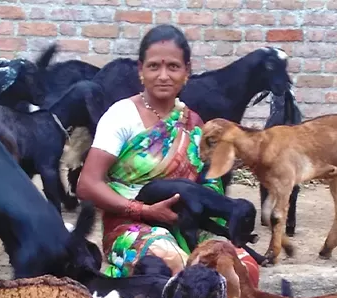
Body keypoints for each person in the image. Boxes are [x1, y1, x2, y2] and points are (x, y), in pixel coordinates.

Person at [76, 24, 260, 284]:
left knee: (242, 268)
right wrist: (144, 210)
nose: (163, 76)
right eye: (154, 66)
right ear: (141, 70)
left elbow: (208, 186)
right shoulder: (121, 116)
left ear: (187, 71)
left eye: (173, 67)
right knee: (173, 264)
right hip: (130, 225)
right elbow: (87, 185)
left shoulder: (194, 124)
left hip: (189, 223)